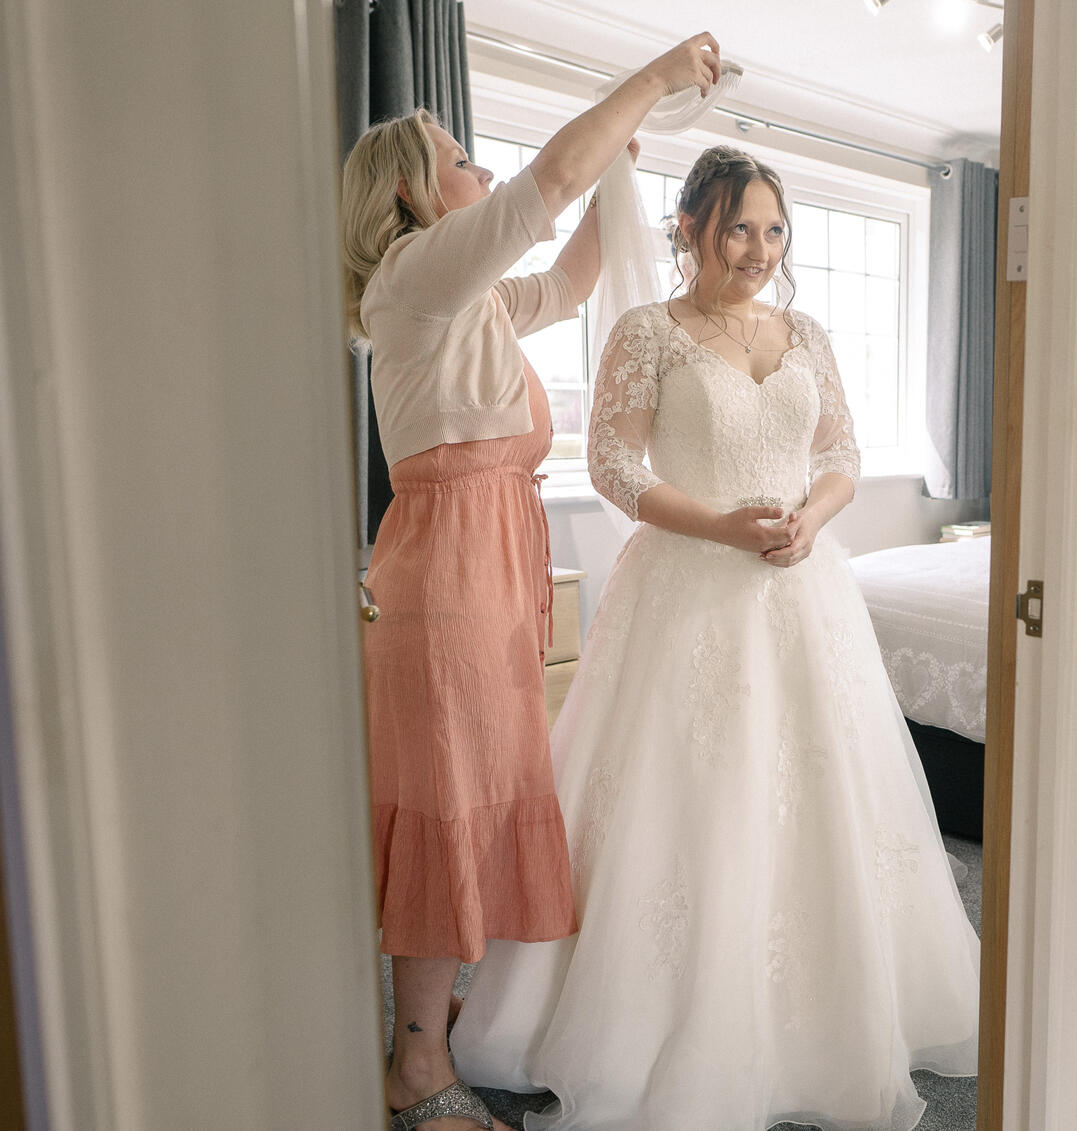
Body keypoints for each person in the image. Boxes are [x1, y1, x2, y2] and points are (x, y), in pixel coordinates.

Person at [449, 145, 980, 1131]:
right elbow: (610, 464)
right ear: (691, 226)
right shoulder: (648, 332)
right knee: (684, 797)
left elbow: (842, 455)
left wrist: (813, 521)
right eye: (739, 227)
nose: (758, 249)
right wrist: (722, 527)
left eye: (773, 230)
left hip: (801, 584)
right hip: (688, 585)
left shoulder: (805, 332)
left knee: (821, 787)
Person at [338, 33, 724, 1131]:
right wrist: (646, 76)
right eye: (462, 160)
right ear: (412, 195)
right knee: (448, 808)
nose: (482, 173)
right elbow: (539, 190)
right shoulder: (414, 282)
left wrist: (621, 167)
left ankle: (430, 1017)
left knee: (476, 799)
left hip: (489, 567)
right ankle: (416, 1067)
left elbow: (568, 273)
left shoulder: (471, 307)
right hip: (448, 577)